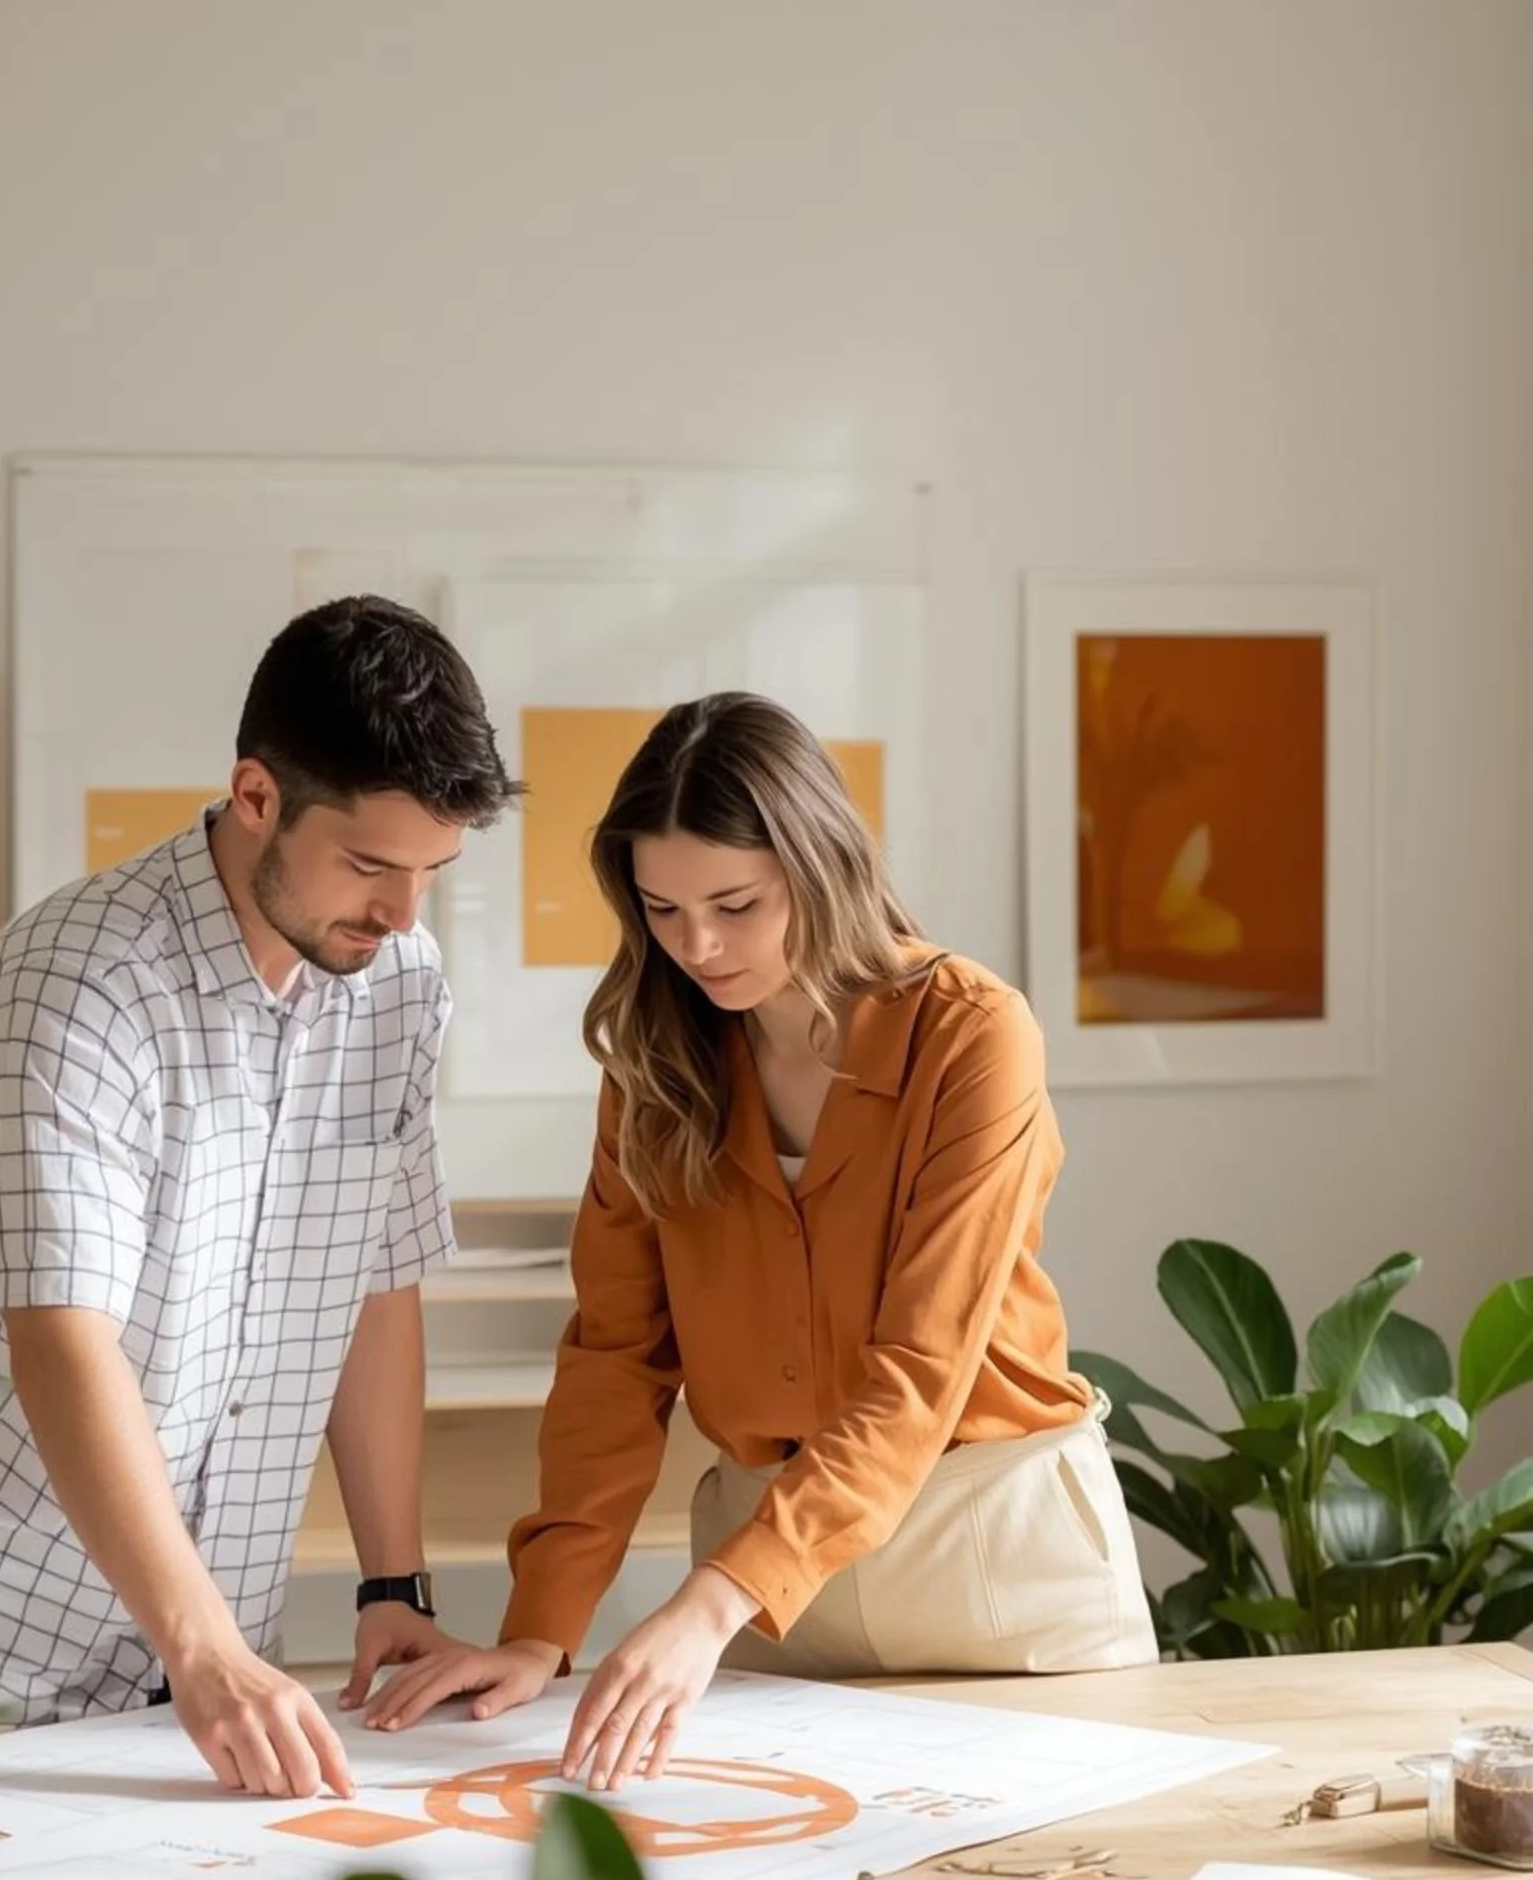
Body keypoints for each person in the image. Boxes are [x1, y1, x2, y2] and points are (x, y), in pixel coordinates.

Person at [0, 596, 516, 1798]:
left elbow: (375, 1283)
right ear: (255, 795)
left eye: (432, 872)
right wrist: (204, 1646)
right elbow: (62, 1337)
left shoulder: (395, 983)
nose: (400, 914)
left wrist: (392, 1583)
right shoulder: (76, 986)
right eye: (370, 866)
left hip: (189, 1654)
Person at [351, 692, 1154, 1782]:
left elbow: (920, 1373)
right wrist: (541, 1629)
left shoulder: (970, 1035)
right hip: (777, 1599)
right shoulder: (651, 1067)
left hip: (993, 1553)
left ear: (819, 866)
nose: (698, 945)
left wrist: (713, 1601)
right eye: (663, 909)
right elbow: (614, 1361)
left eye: (736, 904)